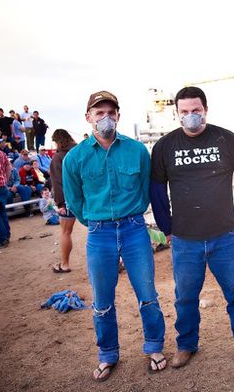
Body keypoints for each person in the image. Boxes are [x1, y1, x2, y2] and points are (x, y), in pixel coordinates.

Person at [150, 86, 234, 369]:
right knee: (185, 296)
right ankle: (186, 344)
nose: (191, 116)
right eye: (185, 112)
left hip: (224, 234)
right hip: (185, 238)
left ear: (206, 110)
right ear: (177, 114)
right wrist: (167, 226)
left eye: (196, 110)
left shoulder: (226, 139)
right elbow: (157, 188)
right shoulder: (165, 146)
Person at [62, 90, 166, 381]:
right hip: (99, 234)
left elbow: (146, 190)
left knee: (147, 295)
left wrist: (131, 217)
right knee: (102, 300)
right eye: (99, 113)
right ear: (88, 117)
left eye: (111, 113)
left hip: (134, 230)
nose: (106, 118)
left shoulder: (136, 151)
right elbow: (76, 202)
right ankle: (107, 354)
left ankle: (155, 347)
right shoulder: (75, 158)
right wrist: (97, 223)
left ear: (118, 116)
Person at [49, 129, 77, 273]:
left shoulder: (58, 157)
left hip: (68, 200)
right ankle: (116, 262)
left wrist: (60, 203)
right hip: (89, 197)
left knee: (66, 232)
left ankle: (65, 264)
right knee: (98, 231)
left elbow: (57, 182)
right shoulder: (79, 151)